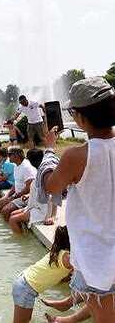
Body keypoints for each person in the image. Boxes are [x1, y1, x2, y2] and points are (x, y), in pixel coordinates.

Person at [42, 77, 115, 323]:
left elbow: (50, 185)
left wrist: (49, 150)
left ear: (81, 119)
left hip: (97, 253)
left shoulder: (77, 156)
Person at [12, 226, 72, 323]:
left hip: (24, 282)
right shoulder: (67, 257)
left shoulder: (57, 252)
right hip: (26, 288)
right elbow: (85, 266)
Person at [8, 148, 56, 234]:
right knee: (12, 214)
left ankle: (21, 242)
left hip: (42, 210)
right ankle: (23, 234)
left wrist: (52, 216)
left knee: (12, 220)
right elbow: (38, 190)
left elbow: (54, 194)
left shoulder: (45, 174)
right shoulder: (39, 171)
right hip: (34, 205)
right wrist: (29, 195)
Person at [0, 147, 37, 221]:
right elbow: (16, 183)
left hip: (27, 196)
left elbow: (29, 187)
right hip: (18, 195)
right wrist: (7, 196)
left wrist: (15, 197)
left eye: (9, 154)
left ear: (16, 156)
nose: (8, 156)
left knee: (5, 210)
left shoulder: (26, 167)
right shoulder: (16, 166)